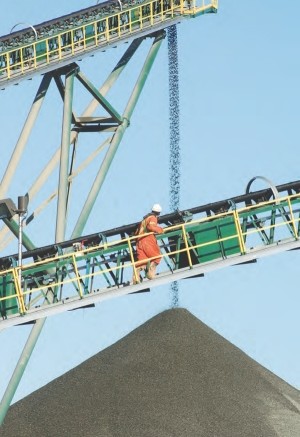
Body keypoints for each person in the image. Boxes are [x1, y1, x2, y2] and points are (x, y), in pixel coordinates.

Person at [132, 204, 164, 284]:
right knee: (157, 257)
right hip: (147, 240)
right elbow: (151, 227)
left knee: (142, 261)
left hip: (139, 242)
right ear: (158, 213)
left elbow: (136, 232)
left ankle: (136, 277)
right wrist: (160, 230)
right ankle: (150, 274)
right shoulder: (153, 218)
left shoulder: (143, 220)